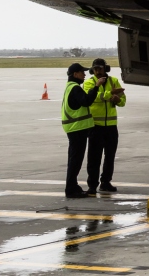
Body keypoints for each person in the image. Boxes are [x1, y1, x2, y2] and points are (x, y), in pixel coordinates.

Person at [84, 58, 126, 194]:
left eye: (100, 69)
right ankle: (92, 185)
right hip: (96, 126)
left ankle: (106, 182)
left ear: (105, 69)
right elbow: (94, 97)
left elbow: (123, 100)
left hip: (111, 126)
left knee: (110, 156)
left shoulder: (114, 81)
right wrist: (110, 94)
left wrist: (118, 99)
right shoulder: (89, 83)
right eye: (95, 69)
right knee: (94, 157)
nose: (97, 71)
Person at [62, 62, 102, 198]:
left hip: (74, 129)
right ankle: (71, 189)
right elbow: (86, 101)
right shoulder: (75, 88)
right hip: (77, 129)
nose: (85, 75)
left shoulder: (70, 87)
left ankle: (72, 186)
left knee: (74, 160)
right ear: (75, 74)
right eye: (82, 72)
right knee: (75, 160)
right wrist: (96, 87)